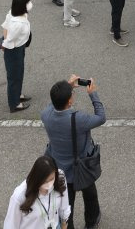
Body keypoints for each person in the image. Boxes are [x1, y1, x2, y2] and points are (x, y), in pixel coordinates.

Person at [41, 74, 105, 229]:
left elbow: (53, 105)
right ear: (69, 101)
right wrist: (93, 94)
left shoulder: (46, 115)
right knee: (90, 195)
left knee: (66, 205)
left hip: (60, 168)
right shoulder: (78, 119)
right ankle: (91, 222)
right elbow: (101, 117)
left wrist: (68, 86)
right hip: (82, 166)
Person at [3, 155, 70, 229]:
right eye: (44, 181)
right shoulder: (20, 195)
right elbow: (11, 225)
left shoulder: (60, 178)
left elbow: (64, 208)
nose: (49, 185)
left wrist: (64, 224)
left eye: (51, 179)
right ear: (36, 179)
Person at [1, 0, 33, 113]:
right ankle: (14, 104)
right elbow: (9, 38)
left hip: (19, 48)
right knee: (14, 76)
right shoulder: (17, 24)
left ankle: (17, 94)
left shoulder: (15, 14)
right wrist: (4, 44)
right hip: (14, 50)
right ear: (22, 5)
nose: (30, 4)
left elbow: (4, 26)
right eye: (28, 2)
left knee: (19, 73)